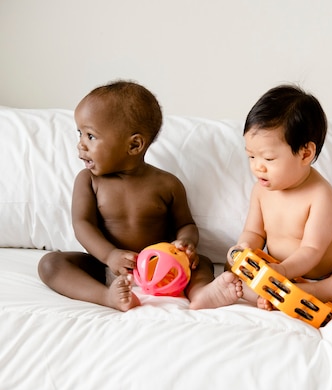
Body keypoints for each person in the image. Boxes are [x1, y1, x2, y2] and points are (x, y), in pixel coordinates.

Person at [38, 80, 243, 311]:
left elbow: (186, 224)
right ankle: (107, 297)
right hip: (108, 267)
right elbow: (82, 224)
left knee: (202, 262)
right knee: (50, 264)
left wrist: (186, 243)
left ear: (134, 145)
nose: (80, 145)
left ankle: (201, 293)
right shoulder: (88, 181)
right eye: (80, 134)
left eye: (91, 136)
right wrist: (110, 256)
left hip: (164, 269)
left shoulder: (167, 184)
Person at [228, 84, 332, 310]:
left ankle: (311, 293)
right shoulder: (261, 190)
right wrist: (244, 247)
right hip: (275, 271)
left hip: (326, 275)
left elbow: (312, 250)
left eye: (268, 159)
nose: (257, 167)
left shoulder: (321, 195)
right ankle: (272, 294)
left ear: (305, 153)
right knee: (231, 268)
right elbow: (254, 232)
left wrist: (284, 272)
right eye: (251, 156)